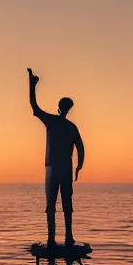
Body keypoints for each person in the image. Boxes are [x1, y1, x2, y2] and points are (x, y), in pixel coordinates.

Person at [28, 68, 84, 248]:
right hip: (61, 167)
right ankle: (65, 237)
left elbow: (34, 106)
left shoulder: (53, 121)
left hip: (54, 168)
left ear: (60, 108)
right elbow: (81, 148)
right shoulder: (70, 126)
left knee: (52, 204)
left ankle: (55, 238)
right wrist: (78, 167)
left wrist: (32, 85)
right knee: (64, 204)